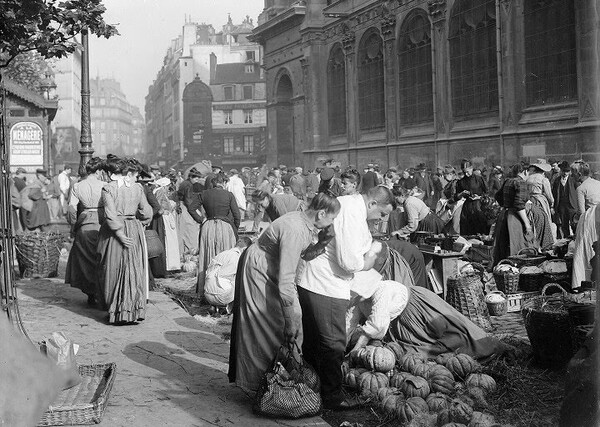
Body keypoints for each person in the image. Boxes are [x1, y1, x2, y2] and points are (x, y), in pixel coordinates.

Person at [229, 193, 342, 392]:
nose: (332, 223)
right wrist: (291, 319)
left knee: (277, 326)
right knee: (267, 325)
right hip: (260, 270)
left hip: (271, 267)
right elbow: (287, 280)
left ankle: (272, 384)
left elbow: (302, 255)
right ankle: (261, 386)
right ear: (321, 213)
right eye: (332, 218)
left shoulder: (305, 223)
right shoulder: (296, 229)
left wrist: (322, 243)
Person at [297, 186, 395, 410]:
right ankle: (332, 397)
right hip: (325, 284)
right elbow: (349, 263)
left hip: (314, 280)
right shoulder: (351, 213)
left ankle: (311, 389)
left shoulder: (350, 205)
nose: (380, 219)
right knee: (334, 342)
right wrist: (371, 256)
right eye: (381, 214)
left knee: (314, 340)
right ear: (372, 203)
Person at [346, 279, 508, 359]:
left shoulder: (381, 290)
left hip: (419, 310)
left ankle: (496, 348)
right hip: (404, 325)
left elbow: (378, 325)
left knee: (457, 335)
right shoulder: (357, 302)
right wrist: (338, 351)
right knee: (427, 352)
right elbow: (349, 325)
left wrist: (355, 351)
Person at [97, 157, 152, 324]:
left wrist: (119, 233)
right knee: (134, 267)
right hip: (134, 229)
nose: (136, 178)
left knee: (111, 269)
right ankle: (133, 310)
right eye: (135, 174)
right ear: (128, 173)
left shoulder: (108, 188)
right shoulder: (137, 188)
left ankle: (115, 310)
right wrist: (140, 223)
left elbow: (110, 214)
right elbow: (146, 212)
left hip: (114, 232)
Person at [190, 174, 240, 297]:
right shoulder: (229, 195)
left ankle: (207, 290)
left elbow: (191, 208)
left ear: (213, 183)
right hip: (225, 227)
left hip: (208, 227)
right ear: (223, 183)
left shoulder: (204, 193)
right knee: (225, 259)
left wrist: (201, 219)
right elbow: (237, 215)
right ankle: (225, 291)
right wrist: (234, 228)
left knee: (208, 256)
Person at [65, 157, 106, 305]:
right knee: (102, 260)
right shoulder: (105, 185)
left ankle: (90, 293)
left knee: (85, 261)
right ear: (99, 171)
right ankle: (102, 291)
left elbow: (71, 209)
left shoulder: (77, 186)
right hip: (101, 224)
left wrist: (74, 224)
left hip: (85, 224)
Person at [492, 163, 534, 264]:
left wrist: (506, 204)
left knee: (502, 246)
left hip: (504, 216)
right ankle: (515, 269)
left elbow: (497, 196)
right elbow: (519, 205)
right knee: (516, 246)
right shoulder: (521, 182)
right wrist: (527, 224)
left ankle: (502, 268)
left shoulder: (507, 181)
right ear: (525, 171)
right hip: (514, 218)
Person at [204, 237, 252, 314]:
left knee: (214, 279)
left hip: (207, 293)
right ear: (244, 249)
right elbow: (227, 276)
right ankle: (225, 308)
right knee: (240, 281)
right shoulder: (236, 257)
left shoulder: (221, 254)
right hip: (222, 296)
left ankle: (214, 306)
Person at [151, 177, 181, 275]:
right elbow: (159, 206)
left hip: (164, 218)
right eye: (168, 186)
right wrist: (168, 209)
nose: (168, 188)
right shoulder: (160, 192)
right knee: (167, 242)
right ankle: (166, 267)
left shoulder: (157, 191)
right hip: (163, 219)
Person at [455, 159, 489, 235]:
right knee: (466, 229)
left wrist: (479, 197)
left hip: (479, 207)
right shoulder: (461, 182)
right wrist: (461, 194)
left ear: (471, 168)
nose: (466, 174)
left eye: (467, 171)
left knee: (480, 228)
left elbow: (487, 193)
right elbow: (456, 196)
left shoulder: (479, 179)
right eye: (464, 172)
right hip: (467, 209)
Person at [527, 161, 555, 241]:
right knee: (544, 220)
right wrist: (552, 203)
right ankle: (544, 240)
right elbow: (549, 194)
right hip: (539, 200)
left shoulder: (528, 178)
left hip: (529, 200)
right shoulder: (543, 179)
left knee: (530, 221)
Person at [176, 169, 202, 254]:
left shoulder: (185, 183)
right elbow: (188, 200)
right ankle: (190, 254)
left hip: (181, 206)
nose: (197, 181)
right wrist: (195, 212)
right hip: (185, 208)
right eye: (196, 179)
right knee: (190, 233)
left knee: (182, 232)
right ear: (191, 177)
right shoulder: (188, 185)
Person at [552, 161, 578, 238]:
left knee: (574, 224)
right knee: (564, 225)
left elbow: (578, 191)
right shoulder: (557, 180)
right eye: (564, 171)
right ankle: (566, 241)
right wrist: (553, 206)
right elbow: (554, 194)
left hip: (572, 206)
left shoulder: (573, 180)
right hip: (561, 206)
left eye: (567, 171)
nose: (565, 173)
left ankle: (576, 240)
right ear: (561, 170)